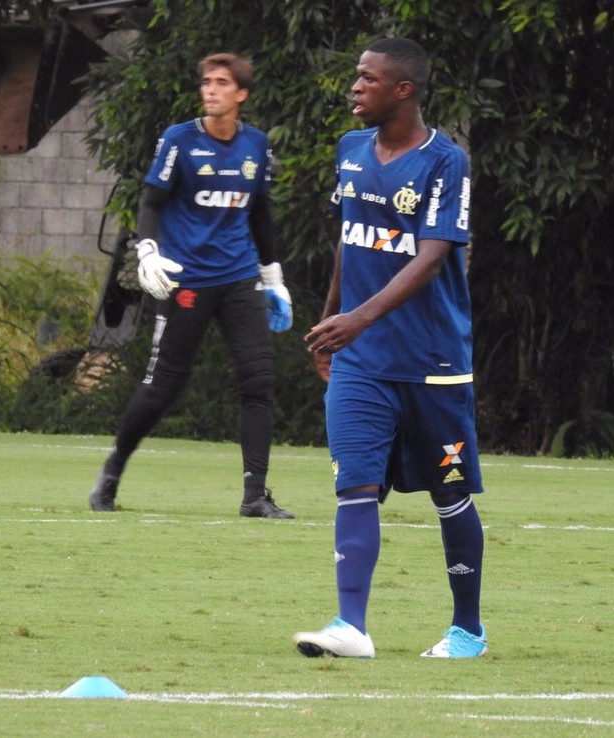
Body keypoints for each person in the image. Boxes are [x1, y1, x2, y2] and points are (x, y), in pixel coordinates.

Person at [292, 38, 486, 659]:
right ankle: (351, 626)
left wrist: (357, 319)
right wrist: (331, 326)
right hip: (361, 362)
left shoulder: (444, 162)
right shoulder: (350, 151)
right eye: (356, 77)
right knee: (354, 484)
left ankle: (467, 631)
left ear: (403, 90)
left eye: (367, 79)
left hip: (432, 362)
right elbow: (351, 243)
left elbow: (431, 259)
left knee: (449, 493)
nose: (355, 87)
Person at [88, 52, 295, 518]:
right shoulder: (179, 140)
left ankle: (255, 496)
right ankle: (111, 474)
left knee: (259, 380)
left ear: (241, 93)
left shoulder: (256, 145)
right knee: (162, 388)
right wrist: (147, 251)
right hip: (187, 281)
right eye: (207, 82)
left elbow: (260, 213)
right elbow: (151, 202)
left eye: (222, 83)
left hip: (240, 278)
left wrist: (273, 278)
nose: (211, 90)